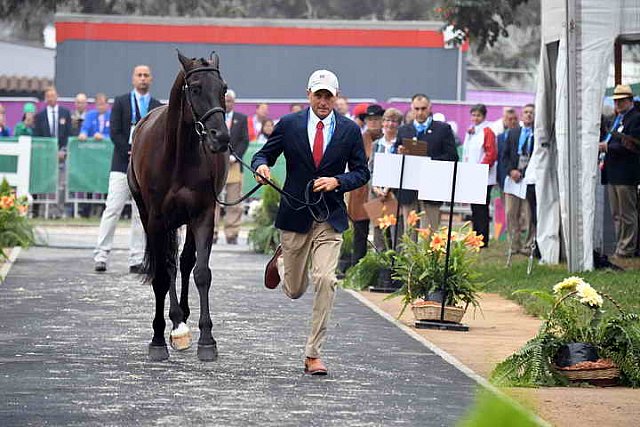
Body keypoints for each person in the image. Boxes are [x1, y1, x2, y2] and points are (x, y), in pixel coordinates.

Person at [252, 69, 370, 375]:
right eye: (318, 95)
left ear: (336, 97)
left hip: (329, 217)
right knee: (293, 290)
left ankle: (313, 353)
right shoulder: (289, 125)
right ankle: (282, 262)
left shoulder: (348, 131)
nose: (323, 101)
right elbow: (263, 155)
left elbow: (361, 172)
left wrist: (337, 181)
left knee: (326, 280)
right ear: (308, 95)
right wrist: (262, 167)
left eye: (328, 96)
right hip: (295, 213)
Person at [93, 65, 162, 273]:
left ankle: (136, 258)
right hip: (122, 165)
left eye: (146, 75)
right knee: (112, 208)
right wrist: (131, 152)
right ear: (133, 79)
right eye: (139, 75)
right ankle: (101, 255)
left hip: (145, 170)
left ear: (151, 79)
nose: (142, 79)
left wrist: (142, 156)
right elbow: (115, 132)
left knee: (139, 214)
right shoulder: (122, 102)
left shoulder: (156, 106)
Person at [395, 94, 458, 233]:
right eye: (416, 109)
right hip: (409, 187)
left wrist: (429, 162)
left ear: (430, 108)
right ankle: (409, 255)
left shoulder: (443, 129)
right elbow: (395, 156)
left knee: (430, 231)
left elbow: (452, 156)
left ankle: (429, 255)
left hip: (432, 186)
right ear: (412, 109)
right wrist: (399, 152)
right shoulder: (404, 130)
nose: (419, 112)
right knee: (409, 230)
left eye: (423, 108)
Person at [598, 85, 640, 258]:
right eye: (616, 100)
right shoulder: (619, 119)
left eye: (622, 100)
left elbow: (633, 145)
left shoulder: (636, 119)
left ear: (630, 100)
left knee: (627, 213)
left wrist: (607, 147)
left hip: (626, 173)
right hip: (613, 172)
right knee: (617, 213)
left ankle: (627, 247)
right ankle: (620, 246)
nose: (618, 103)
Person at [348, 104, 384, 265]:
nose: (374, 123)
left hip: (380, 192)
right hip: (361, 190)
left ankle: (380, 267)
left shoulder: (387, 139)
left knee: (382, 232)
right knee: (360, 232)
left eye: (377, 119)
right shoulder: (358, 138)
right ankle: (357, 266)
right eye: (370, 120)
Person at [213, 88, 249, 245]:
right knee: (212, 200)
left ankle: (232, 233)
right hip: (214, 164)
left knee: (234, 200)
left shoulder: (241, 119)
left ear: (234, 103)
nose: (226, 103)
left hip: (234, 165)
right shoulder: (213, 117)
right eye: (224, 100)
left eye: (229, 101)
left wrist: (235, 156)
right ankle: (211, 232)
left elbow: (244, 140)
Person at [503, 104, 537, 255]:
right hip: (512, 178)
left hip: (529, 178)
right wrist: (511, 171)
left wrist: (522, 172)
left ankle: (528, 244)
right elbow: (505, 155)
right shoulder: (513, 132)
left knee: (529, 213)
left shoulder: (538, 133)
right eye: (526, 112)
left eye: (531, 113)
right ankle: (513, 244)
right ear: (521, 115)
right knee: (511, 212)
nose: (528, 115)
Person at [34, 86, 73, 218]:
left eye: (53, 95)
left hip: (62, 156)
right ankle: (45, 210)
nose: (51, 98)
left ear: (57, 97)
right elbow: (38, 137)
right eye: (48, 96)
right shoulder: (39, 116)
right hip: (46, 157)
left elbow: (69, 134)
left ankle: (59, 211)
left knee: (62, 184)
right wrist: (48, 152)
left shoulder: (65, 113)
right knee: (46, 184)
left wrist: (63, 151)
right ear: (45, 98)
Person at [462, 104, 497, 248]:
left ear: (484, 116)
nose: (475, 118)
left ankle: (482, 240)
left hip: (483, 177)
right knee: (474, 209)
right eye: (473, 115)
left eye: (478, 115)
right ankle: (475, 237)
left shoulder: (487, 131)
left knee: (482, 209)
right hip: (472, 176)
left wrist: (481, 169)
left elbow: (491, 153)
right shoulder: (471, 131)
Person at [371, 107, 403, 249]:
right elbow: (369, 169)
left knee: (397, 233)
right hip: (376, 193)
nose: (390, 124)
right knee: (379, 234)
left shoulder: (401, 146)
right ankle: (381, 269)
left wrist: (389, 188)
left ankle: (397, 268)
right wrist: (374, 186)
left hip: (394, 194)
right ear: (383, 122)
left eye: (394, 121)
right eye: (387, 120)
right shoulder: (376, 145)